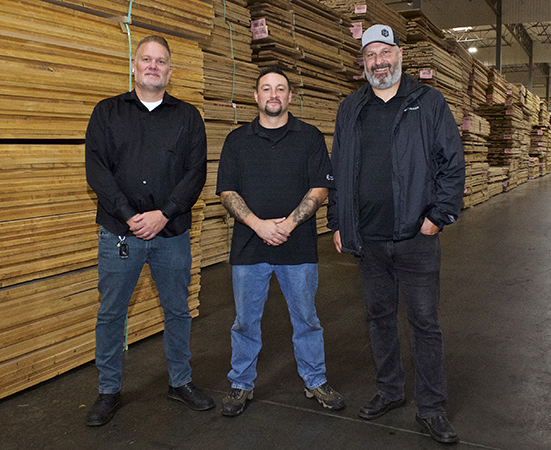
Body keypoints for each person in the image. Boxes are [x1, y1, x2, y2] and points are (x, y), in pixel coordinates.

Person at [326, 24, 465, 444]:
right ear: (362, 63)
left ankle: (431, 407)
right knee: (380, 318)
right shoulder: (351, 107)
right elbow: (338, 170)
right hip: (368, 238)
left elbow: (452, 163)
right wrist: (338, 221)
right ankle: (389, 390)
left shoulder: (427, 101)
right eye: (370, 55)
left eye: (385, 52)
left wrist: (437, 216)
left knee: (424, 322)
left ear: (399, 55)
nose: (378, 61)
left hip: (415, 237)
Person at [84, 35, 212, 426]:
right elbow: (97, 171)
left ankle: (180, 381)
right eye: (147, 59)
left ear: (170, 71)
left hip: (171, 234)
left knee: (177, 310)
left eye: (161, 61)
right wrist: (128, 215)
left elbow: (196, 174)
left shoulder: (188, 117)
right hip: (120, 233)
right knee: (111, 313)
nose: (153, 66)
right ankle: (108, 391)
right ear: (134, 67)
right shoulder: (106, 113)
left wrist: (164, 214)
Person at [215, 67, 344, 417]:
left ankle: (314, 378)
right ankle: (241, 383)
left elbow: (320, 188)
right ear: (255, 96)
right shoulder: (236, 140)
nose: (274, 94)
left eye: (281, 89)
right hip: (248, 247)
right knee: (244, 322)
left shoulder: (310, 137)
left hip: (298, 246)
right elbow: (227, 192)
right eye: (266, 88)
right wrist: (259, 225)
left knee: (306, 319)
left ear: (290, 97)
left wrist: (287, 225)